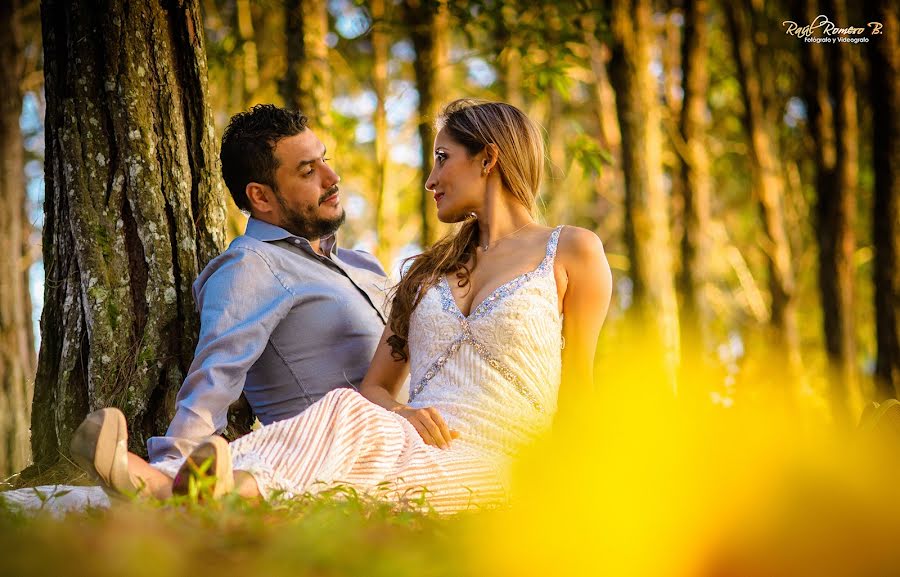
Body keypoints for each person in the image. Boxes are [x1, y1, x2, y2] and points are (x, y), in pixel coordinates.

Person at [70, 99, 613, 513]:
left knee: (348, 415)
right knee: (347, 408)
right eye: (308, 170)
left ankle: (169, 486)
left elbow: (581, 394)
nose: (429, 179)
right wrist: (402, 413)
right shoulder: (424, 273)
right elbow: (370, 387)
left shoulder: (573, 251)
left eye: (443, 159)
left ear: (489, 158)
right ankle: (186, 486)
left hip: (507, 459)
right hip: (412, 442)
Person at [147, 105, 392, 467]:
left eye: (324, 160)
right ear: (261, 197)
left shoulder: (361, 264)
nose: (332, 177)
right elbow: (215, 377)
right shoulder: (251, 265)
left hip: (424, 443)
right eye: (309, 171)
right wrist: (171, 467)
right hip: (340, 462)